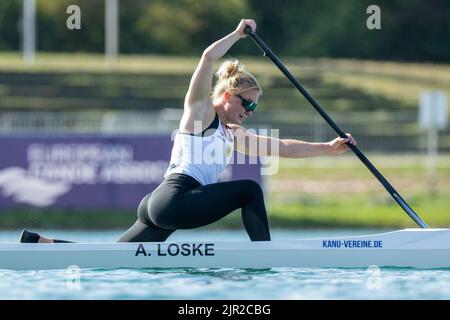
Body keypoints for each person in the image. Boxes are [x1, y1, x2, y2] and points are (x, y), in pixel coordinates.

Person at [20, 19, 356, 244]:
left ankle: (38, 244)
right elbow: (208, 57)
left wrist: (329, 148)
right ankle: (264, 257)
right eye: (247, 105)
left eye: (254, 108)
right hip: (174, 199)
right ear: (226, 96)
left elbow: (282, 146)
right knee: (250, 190)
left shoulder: (233, 134)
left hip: (160, 204)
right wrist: (239, 34)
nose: (249, 113)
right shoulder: (200, 114)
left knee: (113, 260)